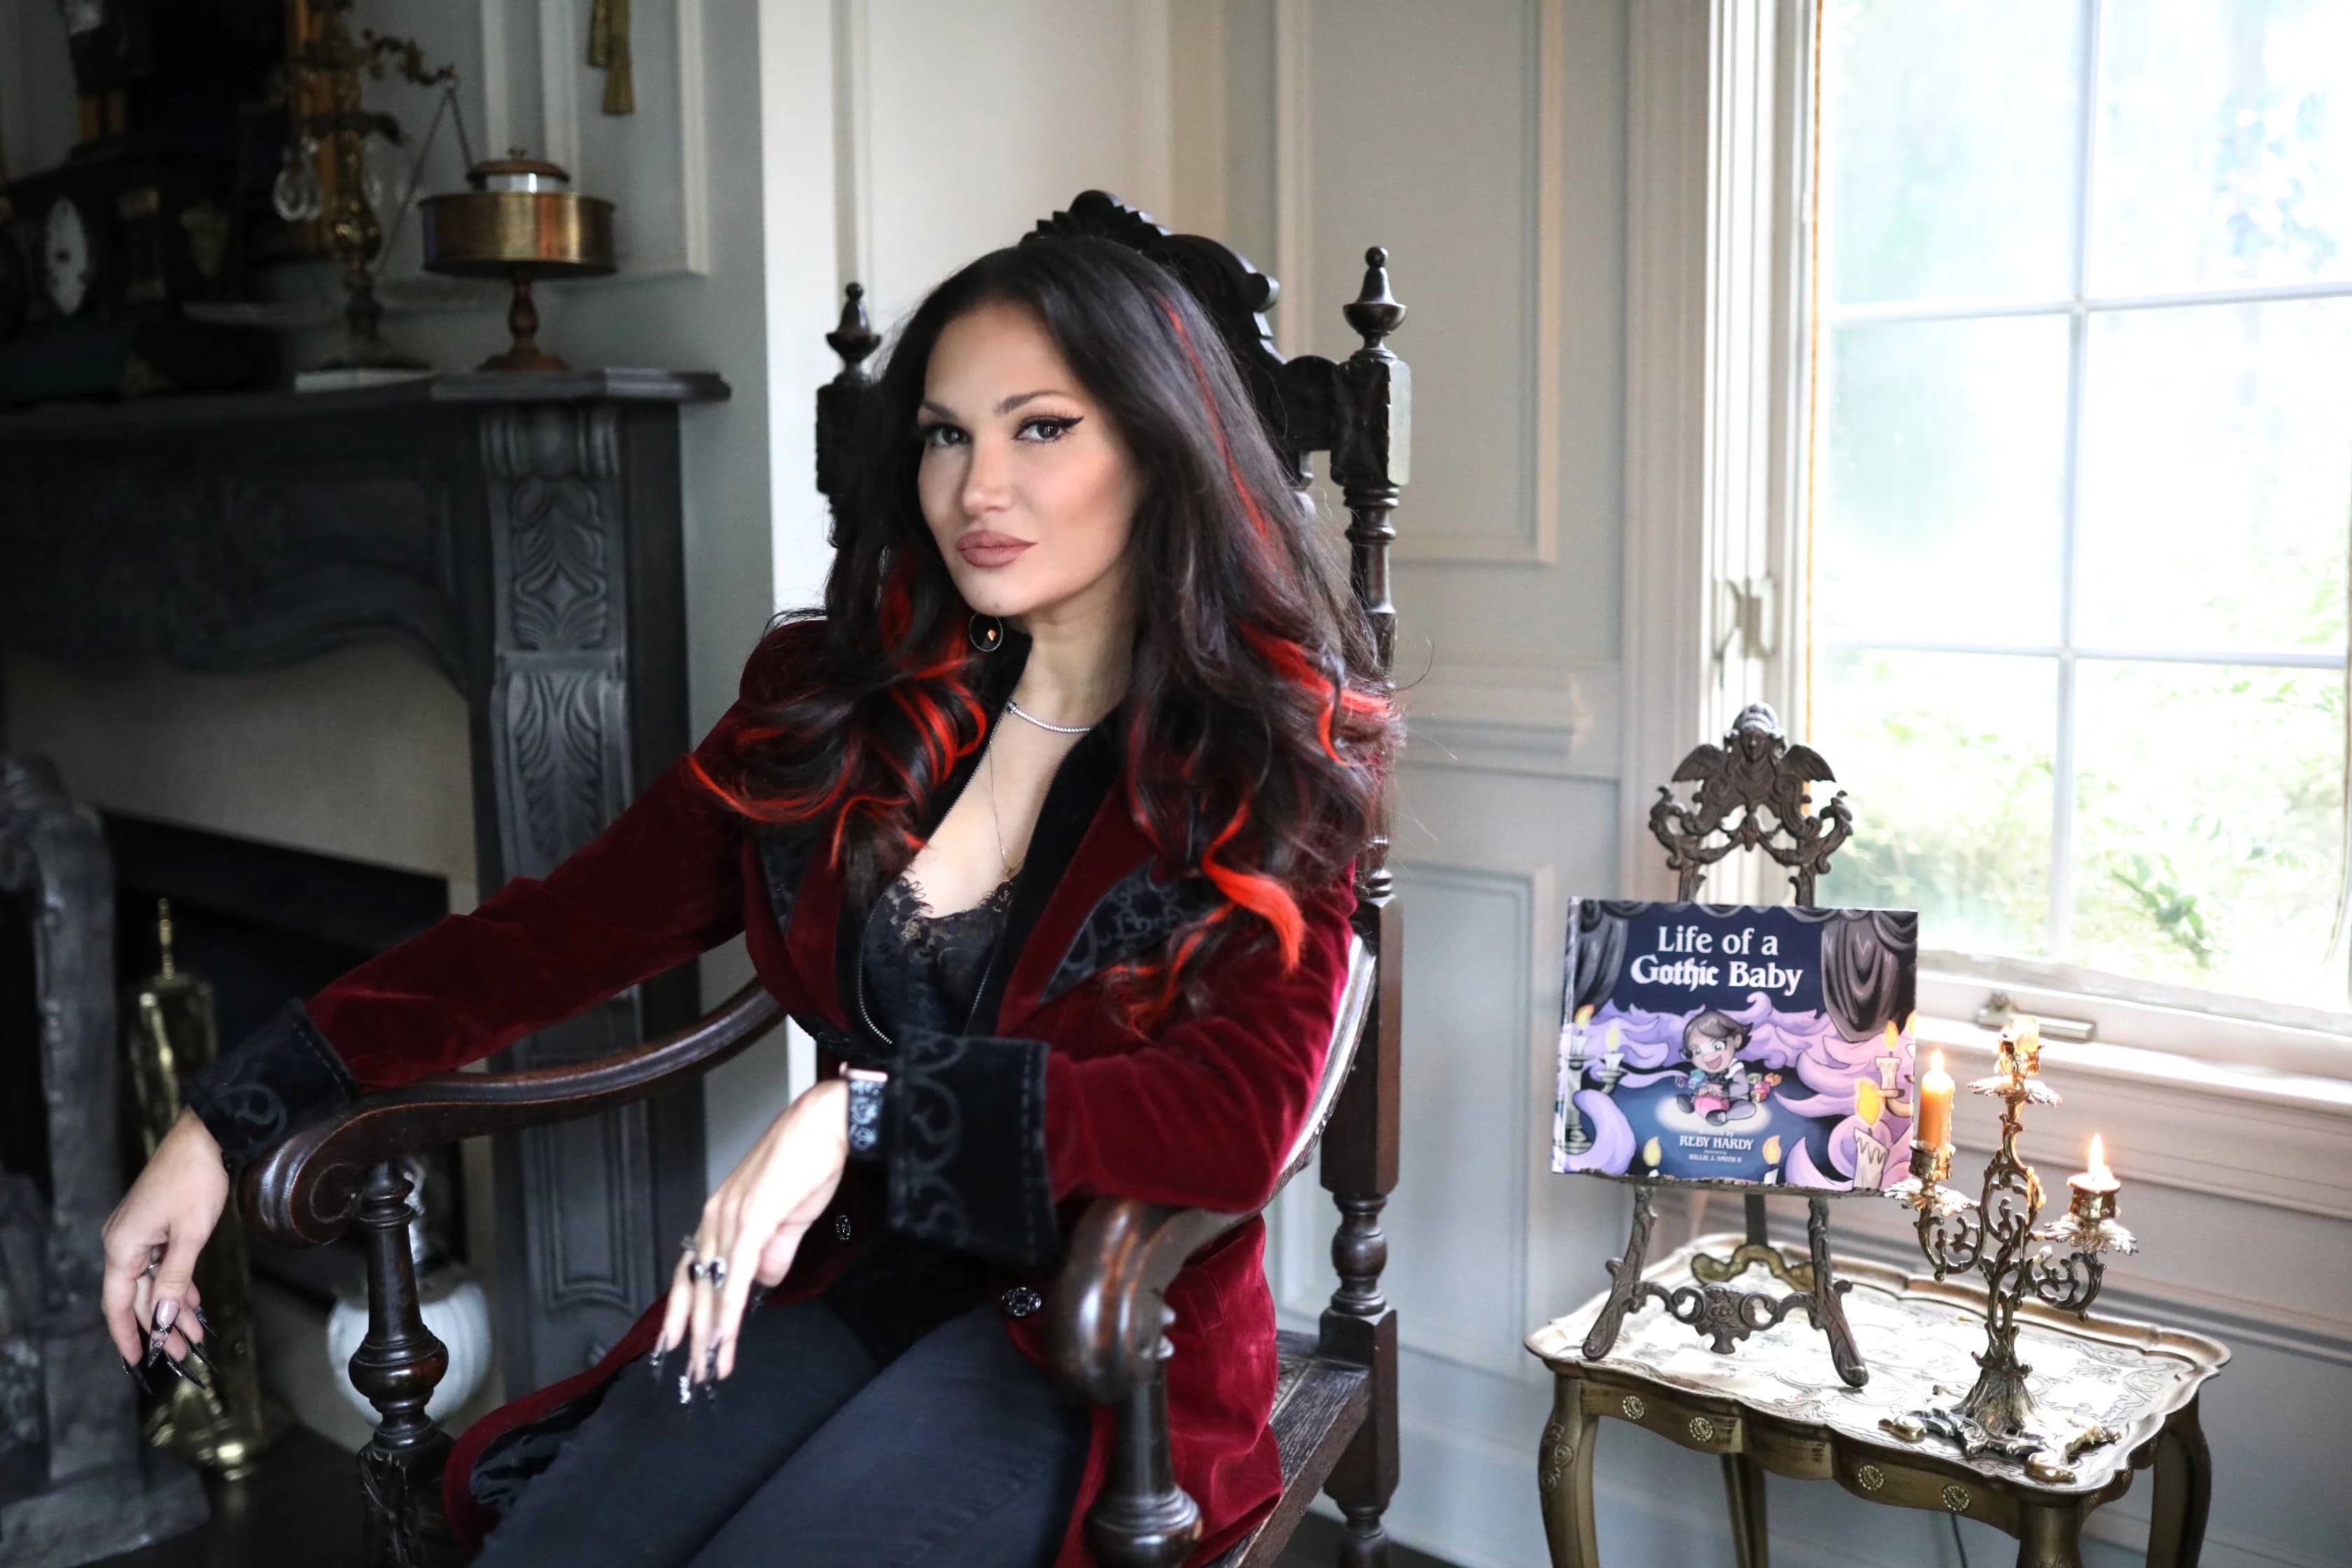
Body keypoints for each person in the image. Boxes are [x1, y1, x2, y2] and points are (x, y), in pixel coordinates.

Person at [97, 235, 1394, 1567]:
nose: (977, 488)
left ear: (1160, 446)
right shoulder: (839, 710)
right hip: (847, 1276)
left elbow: (1237, 1119)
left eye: (1043, 428)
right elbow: (551, 937)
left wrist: (875, 1110)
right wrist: (228, 1116)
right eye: (944, 437)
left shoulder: (1262, 755)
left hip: (1094, 1332)